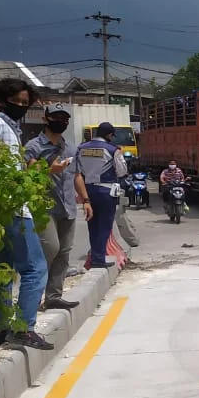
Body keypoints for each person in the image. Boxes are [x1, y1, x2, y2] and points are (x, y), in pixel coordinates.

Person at [0, 78, 54, 351]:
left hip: (2, 207)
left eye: (25, 103)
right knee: (35, 268)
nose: (21, 106)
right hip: (13, 208)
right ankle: (23, 329)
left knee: (3, 269)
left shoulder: (11, 129)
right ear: (3, 101)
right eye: (17, 102)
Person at [24, 104, 93, 311]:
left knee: (64, 252)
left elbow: (77, 176)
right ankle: (32, 299)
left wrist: (86, 200)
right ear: (46, 119)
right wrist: (48, 168)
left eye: (64, 118)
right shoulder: (34, 146)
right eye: (56, 117)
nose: (61, 121)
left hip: (68, 208)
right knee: (49, 249)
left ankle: (53, 296)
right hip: (44, 208)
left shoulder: (70, 147)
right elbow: (29, 170)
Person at [77, 122, 128, 270]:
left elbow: (76, 170)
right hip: (106, 191)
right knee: (104, 226)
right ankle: (98, 259)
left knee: (92, 226)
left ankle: (95, 256)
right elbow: (122, 171)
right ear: (109, 135)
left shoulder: (81, 148)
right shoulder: (113, 150)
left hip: (87, 191)